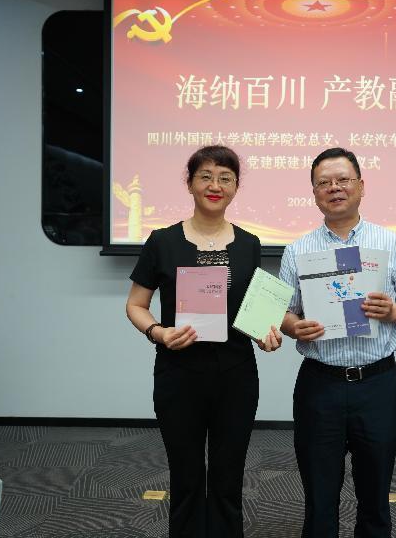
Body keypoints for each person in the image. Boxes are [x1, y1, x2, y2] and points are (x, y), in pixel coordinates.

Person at [126, 145, 282, 538]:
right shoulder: (162, 241)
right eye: (206, 176)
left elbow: (252, 311)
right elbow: (136, 305)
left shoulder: (249, 244)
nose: (216, 185)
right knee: (186, 478)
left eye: (225, 178)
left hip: (236, 375)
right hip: (179, 374)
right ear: (190, 183)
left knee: (229, 479)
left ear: (236, 187)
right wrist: (158, 332)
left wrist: (265, 333)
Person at [279, 147, 396, 538]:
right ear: (314, 193)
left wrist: (392, 311)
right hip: (320, 385)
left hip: (377, 383)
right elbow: (282, 312)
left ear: (361, 186)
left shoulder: (392, 243)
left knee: (375, 494)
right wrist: (295, 327)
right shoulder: (298, 250)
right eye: (324, 183)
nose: (334, 188)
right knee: (319, 496)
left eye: (343, 180)